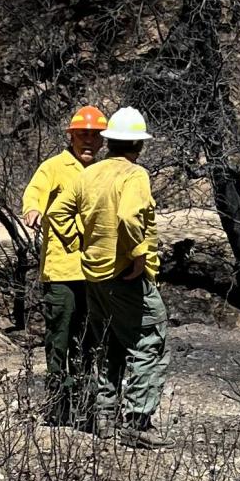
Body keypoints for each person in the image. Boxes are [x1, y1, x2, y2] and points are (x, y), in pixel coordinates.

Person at [65, 106, 165, 443]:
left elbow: (62, 210)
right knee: (148, 341)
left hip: (94, 275)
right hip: (126, 276)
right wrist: (138, 254)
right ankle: (137, 424)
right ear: (139, 144)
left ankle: (104, 419)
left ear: (108, 141)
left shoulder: (89, 173)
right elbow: (128, 217)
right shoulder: (134, 175)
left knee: (108, 345)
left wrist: (80, 242)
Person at [20, 106, 106, 424]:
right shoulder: (54, 167)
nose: (88, 141)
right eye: (83, 134)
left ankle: (86, 409)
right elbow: (34, 194)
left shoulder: (104, 171)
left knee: (89, 342)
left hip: (96, 272)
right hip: (62, 272)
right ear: (71, 136)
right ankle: (59, 409)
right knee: (60, 340)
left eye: (94, 135)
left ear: (103, 141)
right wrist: (32, 211)